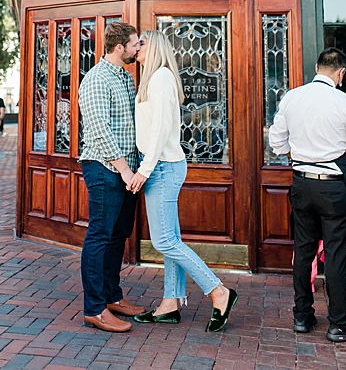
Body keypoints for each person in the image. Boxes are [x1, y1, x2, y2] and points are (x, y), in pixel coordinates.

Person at [127, 30, 237, 331]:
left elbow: (160, 132)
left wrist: (143, 171)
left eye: (142, 42)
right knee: (170, 240)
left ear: (156, 47)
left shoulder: (161, 78)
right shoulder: (152, 79)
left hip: (162, 167)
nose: (137, 47)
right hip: (160, 166)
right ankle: (170, 303)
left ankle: (219, 291)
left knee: (164, 241)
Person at [269, 47, 346, 342]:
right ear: (340, 73)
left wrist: (299, 156)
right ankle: (339, 323)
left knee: (303, 251)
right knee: (336, 254)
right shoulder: (345, 102)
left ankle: (302, 317)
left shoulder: (292, 97)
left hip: (301, 183)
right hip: (333, 186)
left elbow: (276, 141)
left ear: (317, 68)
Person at [77, 21, 145, 333]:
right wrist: (126, 170)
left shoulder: (126, 78)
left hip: (127, 171)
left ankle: (111, 296)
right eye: (135, 44)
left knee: (119, 235)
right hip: (105, 169)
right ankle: (94, 309)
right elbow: (99, 130)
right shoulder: (95, 79)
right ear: (119, 48)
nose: (138, 48)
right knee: (100, 236)